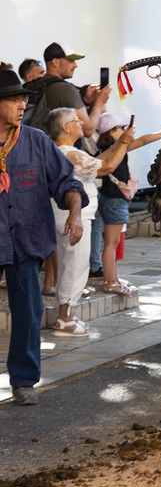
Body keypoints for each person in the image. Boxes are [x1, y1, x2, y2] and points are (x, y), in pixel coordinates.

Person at [0, 69, 88, 404]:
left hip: (26, 241)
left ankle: (24, 381)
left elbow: (67, 182)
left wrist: (75, 212)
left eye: (23, 99)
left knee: (29, 311)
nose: (22, 105)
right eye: (14, 99)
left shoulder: (36, 141)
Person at [45, 107, 135, 334]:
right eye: (76, 120)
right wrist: (124, 143)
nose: (81, 123)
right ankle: (64, 318)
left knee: (70, 264)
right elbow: (106, 167)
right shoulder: (69, 152)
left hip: (69, 216)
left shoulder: (65, 150)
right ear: (65, 128)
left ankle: (66, 314)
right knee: (75, 265)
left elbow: (97, 160)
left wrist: (120, 143)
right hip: (74, 218)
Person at [96, 113, 161, 295]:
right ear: (111, 132)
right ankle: (110, 282)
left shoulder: (109, 150)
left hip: (110, 199)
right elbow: (142, 140)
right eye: (120, 128)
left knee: (112, 243)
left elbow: (142, 140)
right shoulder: (114, 150)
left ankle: (114, 279)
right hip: (115, 201)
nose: (124, 130)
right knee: (111, 243)